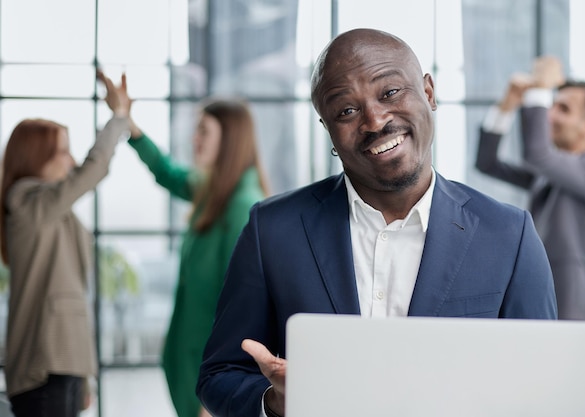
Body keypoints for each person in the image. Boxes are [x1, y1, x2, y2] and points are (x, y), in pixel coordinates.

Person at [196, 28, 557, 417]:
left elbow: (544, 386)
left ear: (429, 94)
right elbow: (220, 374)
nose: (374, 120)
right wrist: (274, 402)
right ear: (328, 131)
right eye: (346, 111)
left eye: (390, 93)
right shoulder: (273, 229)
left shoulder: (508, 234)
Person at [121, 91, 270, 417]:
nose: (195, 138)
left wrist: (222, 390)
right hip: (192, 362)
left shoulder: (242, 206)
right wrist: (129, 124)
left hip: (211, 376)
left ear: (229, 140)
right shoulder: (212, 189)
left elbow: (247, 308)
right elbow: (168, 173)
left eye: (204, 131)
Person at [0, 71, 131, 417]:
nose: (71, 162)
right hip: (44, 369)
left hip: (64, 363)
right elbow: (91, 170)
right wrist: (118, 119)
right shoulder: (25, 201)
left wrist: (83, 375)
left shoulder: (56, 212)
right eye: (62, 152)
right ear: (34, 157)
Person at [475, 56, 585, 320]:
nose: (550, 115)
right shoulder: (549, 174)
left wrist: (540, 88)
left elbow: (538, 153)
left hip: (566, 303)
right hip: (528, 296)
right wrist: (507, 105)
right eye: (551, 105)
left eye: (563, 109)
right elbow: (487, 163)